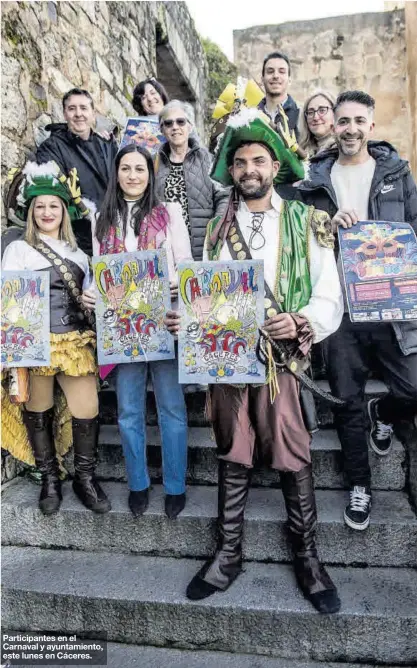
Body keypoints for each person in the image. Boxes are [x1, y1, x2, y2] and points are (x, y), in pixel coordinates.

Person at [165, 107, 344, 613]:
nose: (248, 169)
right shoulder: (217, 232)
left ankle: (307, 555)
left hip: (282, 359)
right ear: (233, 170)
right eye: (240, 161)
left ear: (275, 166)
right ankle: (228, 553)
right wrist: (191, 321)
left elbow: (329, 292)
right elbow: (208, 296)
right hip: (229, 359)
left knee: (290, 448)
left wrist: (302, 319)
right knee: (233, 445)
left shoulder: (307, 221)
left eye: (258, 160)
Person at [291, 90, 417, 531]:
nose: (349, 129)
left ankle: (382, 414)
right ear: (333, 126)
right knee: (346, 399)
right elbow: (303, 242)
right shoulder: (315, 182)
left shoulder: (397, 174)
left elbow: (415, 229)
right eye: (342, 121)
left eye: (358, 121)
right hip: (340, 305)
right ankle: (359, 486)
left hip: (389, 303)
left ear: (371, 126)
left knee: (412, 387)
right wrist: (326, 224)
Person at [83, 144, 192, 520]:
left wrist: (176, 284)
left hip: (162, 324)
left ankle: (176, 485)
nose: (132, 175)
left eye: (140, 169)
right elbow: (99, 271)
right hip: (122, 329)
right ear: (116, 173)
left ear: (150, 174)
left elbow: (185, 262)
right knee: (129, 411)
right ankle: (138, 483)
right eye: (126, 168)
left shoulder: (169, 214)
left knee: (172, 409)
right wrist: (90, 293)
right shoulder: (102, 218)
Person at [1, 161, 110, 516]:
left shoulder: (79, 253)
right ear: (31, 212)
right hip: (34, 343)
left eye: (53, 205)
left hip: (75, 339)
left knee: (87, 409)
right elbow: (9, 300)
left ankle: (85, 477)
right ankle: (49, 478)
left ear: (63, 210)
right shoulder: (17, 250)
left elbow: (92, 295)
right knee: (38, 410)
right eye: (40, 206)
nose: (47, 212)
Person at [36, 88, 118, 255]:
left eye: (83, 108)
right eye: (72, 108)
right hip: (78, 240)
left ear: (93, 113)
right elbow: (55, 193)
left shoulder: (107, 145)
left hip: (114, 234)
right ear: (65, 114)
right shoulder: (52, 147)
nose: (78, 114)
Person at [155, 100, 229, 261]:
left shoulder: (208, 160)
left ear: (190, 126)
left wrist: (216, 228)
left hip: (203, 247)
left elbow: (223, 196)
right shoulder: (153, 164)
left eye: (180, 121)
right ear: (162, 130)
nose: (175, 127)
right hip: (168, 251)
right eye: (168, 123)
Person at [258, 51, 300, 139]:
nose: (276, 76)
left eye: (282, 72)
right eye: (270, 71)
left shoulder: (301, 115)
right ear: (262, 79)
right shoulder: (252, 116)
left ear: (289, 80)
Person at [299, 90, 336, 157]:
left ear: (335, 112)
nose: (315, 117)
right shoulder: (301, 151)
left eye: (322, 110)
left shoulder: (341, 150)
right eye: (310, 112)